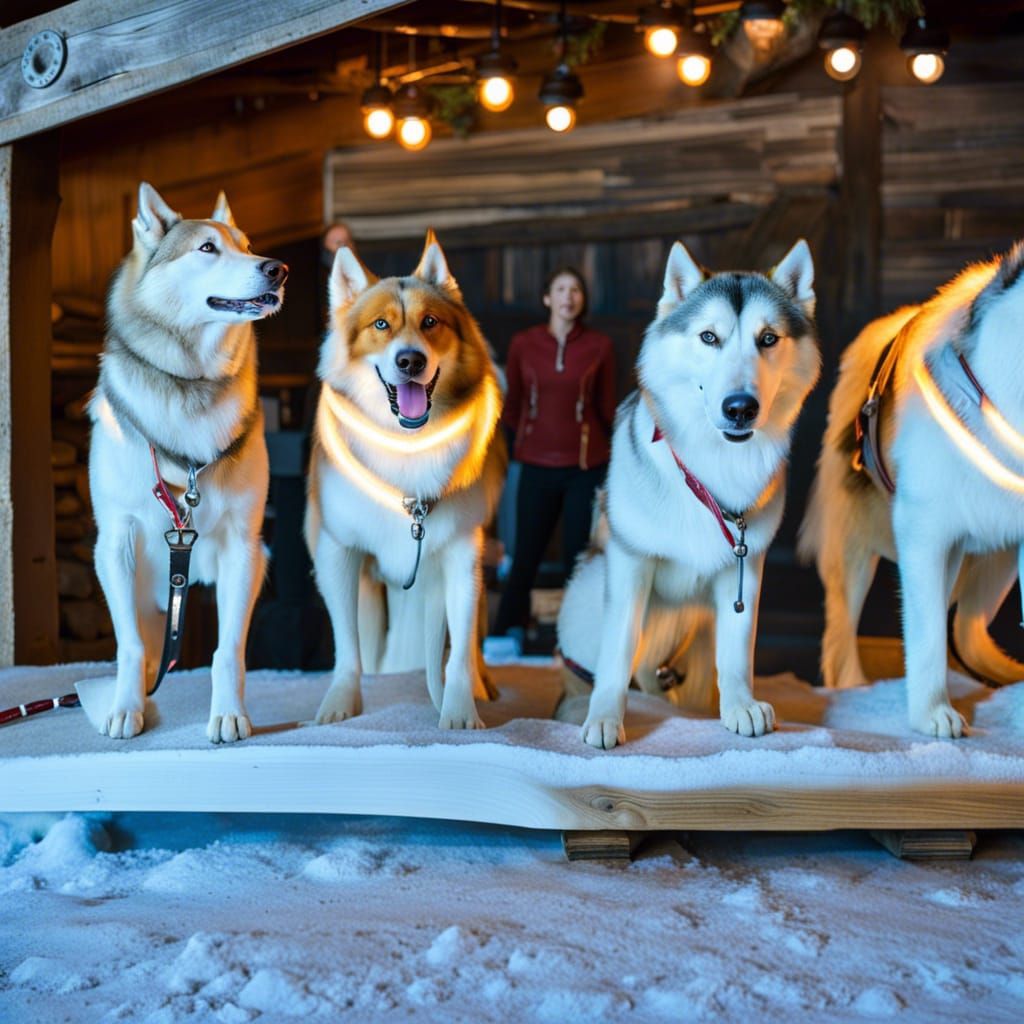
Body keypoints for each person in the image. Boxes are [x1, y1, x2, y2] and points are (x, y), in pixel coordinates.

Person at [493, 267, 616, 649]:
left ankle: (577, 642)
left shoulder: (600, 346)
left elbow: (608, 409)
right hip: (535, 465)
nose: (568, 296)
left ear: (582, 299)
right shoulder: (523, 344)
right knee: (525, 553)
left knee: (578, 560)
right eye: (561, 289)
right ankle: (504, 636)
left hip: (584, 466)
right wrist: (525, 443)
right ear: (547, 298)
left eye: (575, 289)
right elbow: (511, 407)